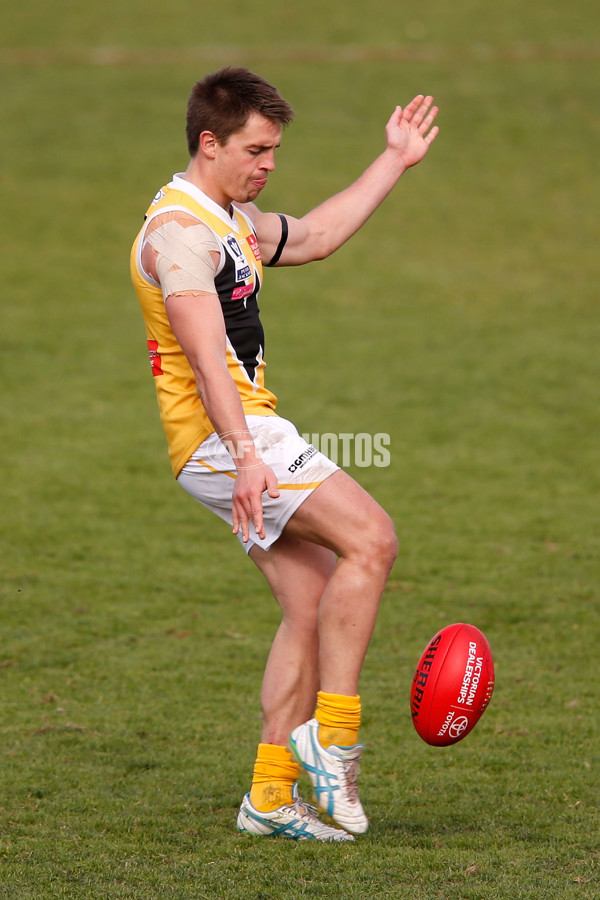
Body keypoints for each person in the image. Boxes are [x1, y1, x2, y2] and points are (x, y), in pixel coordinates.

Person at [130, 66, 439, 842]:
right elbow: (205, 357)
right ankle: (331, 743)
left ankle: (269, 795)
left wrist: (393, 160)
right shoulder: (178, 235)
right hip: (227, 435)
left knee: (310, 602)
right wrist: (247, 456)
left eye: (274, 150)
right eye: (256, 149)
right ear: (210, 142)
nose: (269, 163)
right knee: (372, 539)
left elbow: (320, 234)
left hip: (234, 436)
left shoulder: (230, 217)